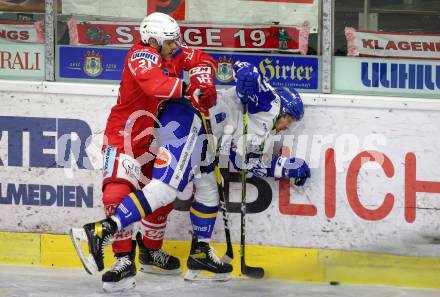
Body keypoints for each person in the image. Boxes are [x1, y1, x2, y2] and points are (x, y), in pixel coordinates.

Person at [70, 61, 311, 289]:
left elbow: (242, 161)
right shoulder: (270, 103)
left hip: (206, 136)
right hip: (189, 118)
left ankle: (200, 254)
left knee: (208, 191)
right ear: (284, 110)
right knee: (165, 189)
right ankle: (103, 229)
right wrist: (249, 77)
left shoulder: (266, 132)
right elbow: (243, 68)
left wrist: (286, 167)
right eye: (290, 119)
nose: (287, 126)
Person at [88, 11, 217, 292]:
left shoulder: (171, 52)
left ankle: (149, 252)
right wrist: (189, 88)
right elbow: (155, 85)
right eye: (170, 41)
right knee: (117, 193)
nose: (176, 46)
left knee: (160, 193)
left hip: (152, 137)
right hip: (123, 136)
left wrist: (204, 80)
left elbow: (203, 58)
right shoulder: (140, 56)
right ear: (154, 40)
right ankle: (123, 260)